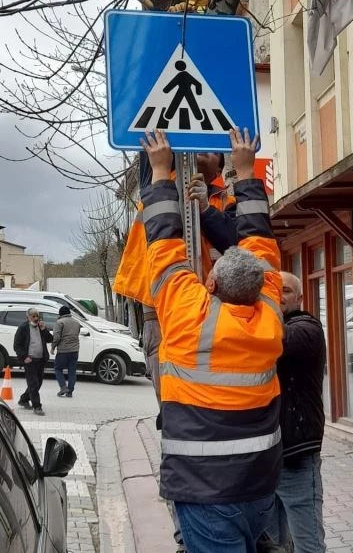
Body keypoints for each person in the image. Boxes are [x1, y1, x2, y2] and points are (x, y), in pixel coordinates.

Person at [141, 127, 284, 553]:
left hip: (208, 494)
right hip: (258, 487)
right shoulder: (270, 320)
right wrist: (163, 172)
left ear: (212, 281)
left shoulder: (191, 317)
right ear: (262, 287)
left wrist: (241, 170)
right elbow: (165, 243)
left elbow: (258, 245)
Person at [113, 148, 239, 552]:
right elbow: (159, 237)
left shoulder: (225, 200)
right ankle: (188, 531)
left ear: (219, 164)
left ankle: (211, 519)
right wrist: (162, 172)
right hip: (166, 314)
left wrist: (204, 209)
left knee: (216, 418)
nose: (195, 153)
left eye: (204, 150)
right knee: (179, 422)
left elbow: (246, 246)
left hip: (221, 315)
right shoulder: (157, 193)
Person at [262, 272, 327, 553]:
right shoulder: (268, 326)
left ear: (300, 298)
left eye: (285, 290)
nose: (278, 295)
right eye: (272, 290)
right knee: (274, 544)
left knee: (308, 544)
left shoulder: (306, 329)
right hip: (265, 458)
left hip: (296, 455)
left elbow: (276, 342)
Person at [13, 308, 52, 416]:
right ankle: (37, 406)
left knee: (38, 383)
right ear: (28, 317)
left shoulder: (41, 327)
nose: (36, 318)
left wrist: (44, 329)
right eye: (33, 316)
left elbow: (50, 339)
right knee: (33, 383)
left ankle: (23, 399)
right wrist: (24, 357)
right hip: (30, 360)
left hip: (40, 359)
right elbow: (17, 345)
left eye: (37, 316)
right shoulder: (23, 328)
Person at [51, 305, 81, 398]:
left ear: (60, 314)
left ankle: (63, 387)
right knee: (72, 371)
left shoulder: (59, 322)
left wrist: (53, 347)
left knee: (58, 369)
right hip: (75, 350)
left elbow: (56, 337)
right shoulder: (77, 322)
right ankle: (70, 391)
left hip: (63, 350)